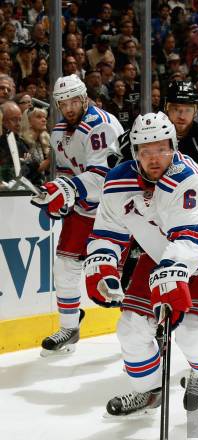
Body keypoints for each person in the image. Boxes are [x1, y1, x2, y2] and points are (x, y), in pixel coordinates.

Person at [85, 111, 198, 415]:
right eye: (145, 151)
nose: (155, 158)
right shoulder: (117, 183)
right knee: (131, 326)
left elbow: (191, 238)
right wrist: (102, 267)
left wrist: (169, 280)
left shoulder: (189, 179)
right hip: (162, 253)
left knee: (192, 329)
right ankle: (148, 391)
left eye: (161, 148)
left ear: (174, 146)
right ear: (134, 153)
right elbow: (108, 232)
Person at [112, 81, 198, 356]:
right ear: (165, 108)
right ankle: (150, 324)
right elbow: (122, 174)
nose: (181, 115)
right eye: (175, 108)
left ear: (196, 111)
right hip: (153, 212)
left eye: (187, 109)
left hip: (194, 214)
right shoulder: (141, 135)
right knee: (140, 267)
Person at [29, 74, 124, 355]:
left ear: (84, 98)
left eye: (73, 101)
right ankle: (70, 327)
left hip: (114, 210)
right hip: (84, 209)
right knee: (65, 265)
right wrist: (64, 198)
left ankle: (146, 327)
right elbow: (68, 172)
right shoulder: (59, 130)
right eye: (62, 103)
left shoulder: (101, 126)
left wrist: (66, 189)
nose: (68, 108)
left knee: (118, 278)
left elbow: (104, 177)